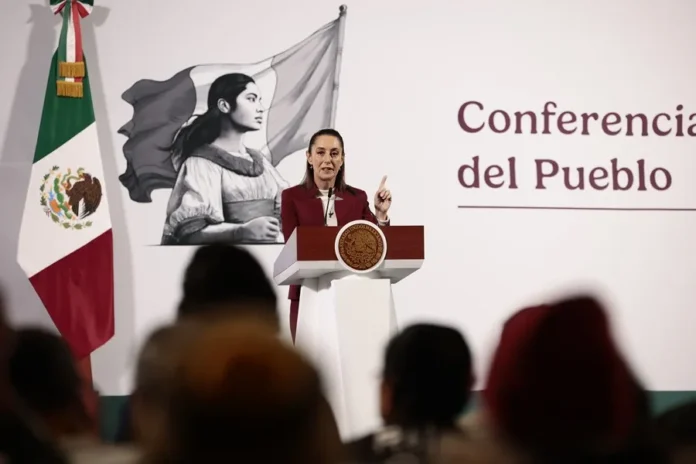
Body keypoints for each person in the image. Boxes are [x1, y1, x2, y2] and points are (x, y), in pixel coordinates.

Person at [280, 128, 392, 341]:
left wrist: (380, 213)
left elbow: (375, 244)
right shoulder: (292, 197)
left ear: (342, 159)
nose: (327, 160)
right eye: (320, 153)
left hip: (352, 296)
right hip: (307, 293)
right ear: (309, 157)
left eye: (334, 153)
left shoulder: (357, 197)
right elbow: (291, 245)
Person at [161, 73, 289, 245]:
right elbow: (190, 232)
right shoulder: (201, 163)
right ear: (224, 105)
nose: (260, 108)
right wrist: (241, 231)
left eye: (259, 100)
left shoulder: (261, 162)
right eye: (251, 99)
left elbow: (286, 209)